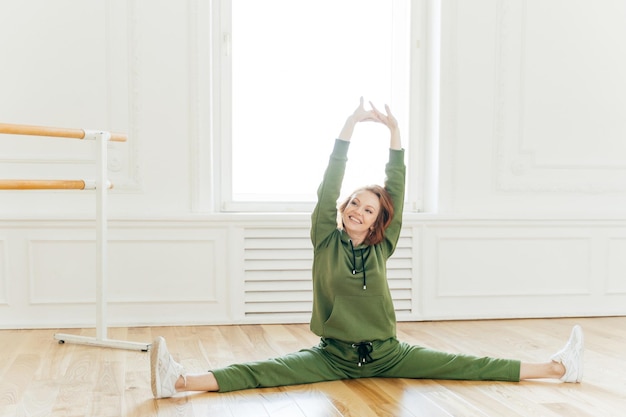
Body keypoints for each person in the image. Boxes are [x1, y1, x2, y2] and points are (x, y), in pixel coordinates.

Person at [150, 98, 584, 399]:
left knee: (468, 364)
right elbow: (329, 183)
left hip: (388, 353)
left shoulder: (382, 248)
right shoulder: (325, 238)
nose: (358, 209)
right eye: (354, 202)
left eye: (369, 208)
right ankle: (179, 381)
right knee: (261, 372)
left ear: (380, 220)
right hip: (334, 357)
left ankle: (558, 369)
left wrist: (395, 134)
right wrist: (349, 127)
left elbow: (395, 185)